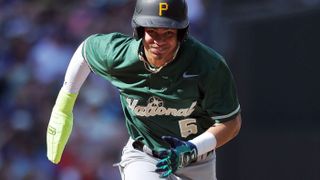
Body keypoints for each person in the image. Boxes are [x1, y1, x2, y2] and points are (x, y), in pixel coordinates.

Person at [46, 0, 242, 179]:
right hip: (145, 155)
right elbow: (85, 52)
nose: (159, 41)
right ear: (139, 30)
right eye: (153, 32)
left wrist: (191, 148)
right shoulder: (120, 55)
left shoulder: (207, 65)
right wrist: (63, 106)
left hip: (197, 158)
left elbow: (231, 123)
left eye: (168, 33)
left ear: (182, 34)